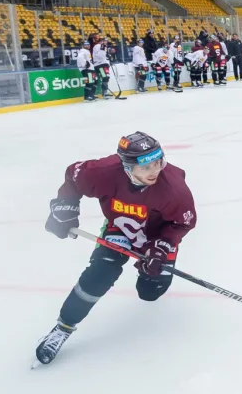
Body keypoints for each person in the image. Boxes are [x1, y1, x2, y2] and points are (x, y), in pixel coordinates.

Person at [34, 132, 196, 365]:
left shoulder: (174, 189)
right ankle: (63, 327)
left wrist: (159, 249)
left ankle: (151, 269)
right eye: (146, 166)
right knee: (98, 275)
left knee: (149, 293)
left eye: (158, 162)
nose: (154, 171)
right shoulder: (102, 173)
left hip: (157, 236)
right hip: (120, 228)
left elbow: (183, 222)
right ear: (127, 167)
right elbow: (73, 175)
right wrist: (65, 207)